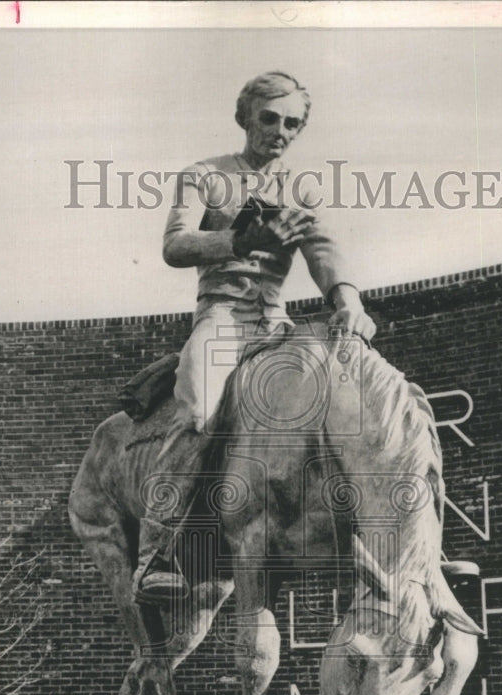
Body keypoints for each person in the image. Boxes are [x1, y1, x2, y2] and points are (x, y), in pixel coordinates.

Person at [134, 70, 376, 604]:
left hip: (276, 325)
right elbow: (176, 245)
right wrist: (242, 239)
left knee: (348, 397)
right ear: (245, 117)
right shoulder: (205, 175)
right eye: (270, 118)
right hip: (222, 318)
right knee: (197, 412)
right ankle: (156, 554)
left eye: (293, 123)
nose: (281, 131)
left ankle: (383, 539)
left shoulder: (301, 188)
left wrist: (348, 302)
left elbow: (323, 250)